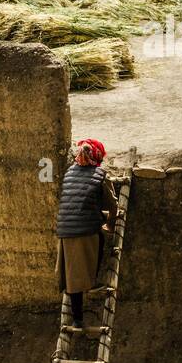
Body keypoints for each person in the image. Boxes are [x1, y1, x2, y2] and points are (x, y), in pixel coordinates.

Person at [55, 139, 117, 328]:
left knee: (72, 277)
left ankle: (77, 319)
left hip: (65, 231)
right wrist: (110, 223)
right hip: (86, 230)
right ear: (97, 157)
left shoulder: (69, 174)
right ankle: (93, 281)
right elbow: (112, 204)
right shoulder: (99, 175)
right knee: (97, 246)